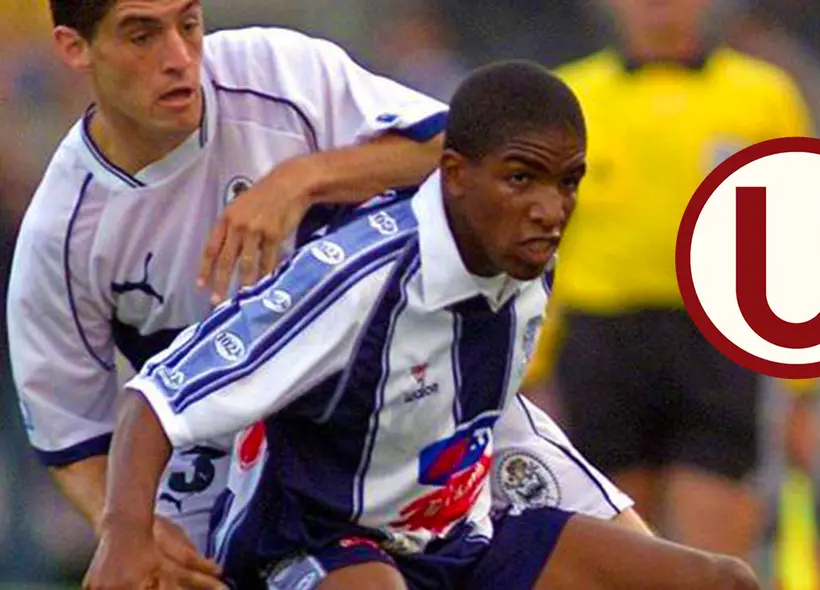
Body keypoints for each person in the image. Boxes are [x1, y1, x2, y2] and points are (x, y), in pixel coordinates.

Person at [8, 1, 639, 587]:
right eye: (142, 34)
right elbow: (75, 437)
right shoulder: (59, 236)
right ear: (74, 48)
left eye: (190, 23)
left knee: (666, 566)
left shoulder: (275, 72)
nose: (178, 56)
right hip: (235, 465)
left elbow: (462, 150)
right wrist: (128, 526)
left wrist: (303, 179)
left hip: (424, 397)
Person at [83, 60, 758, 590]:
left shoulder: (527, 262)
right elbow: (158, 397)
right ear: (456, 174)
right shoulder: (355, 277)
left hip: (460, 544)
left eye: (567, 182)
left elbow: (496, 424)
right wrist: (123, 536)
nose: (550, 209)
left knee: (723, 579)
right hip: (316, 545)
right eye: (522, 178)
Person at [521, 0, 820, 562]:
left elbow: (796, 240)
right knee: (620, 552)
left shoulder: (762, 94)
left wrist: (804, 390)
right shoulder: (571, 97)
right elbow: (538, 246)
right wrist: (528, 371)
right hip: (603, 341)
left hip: (720, 339)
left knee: (716, 556)